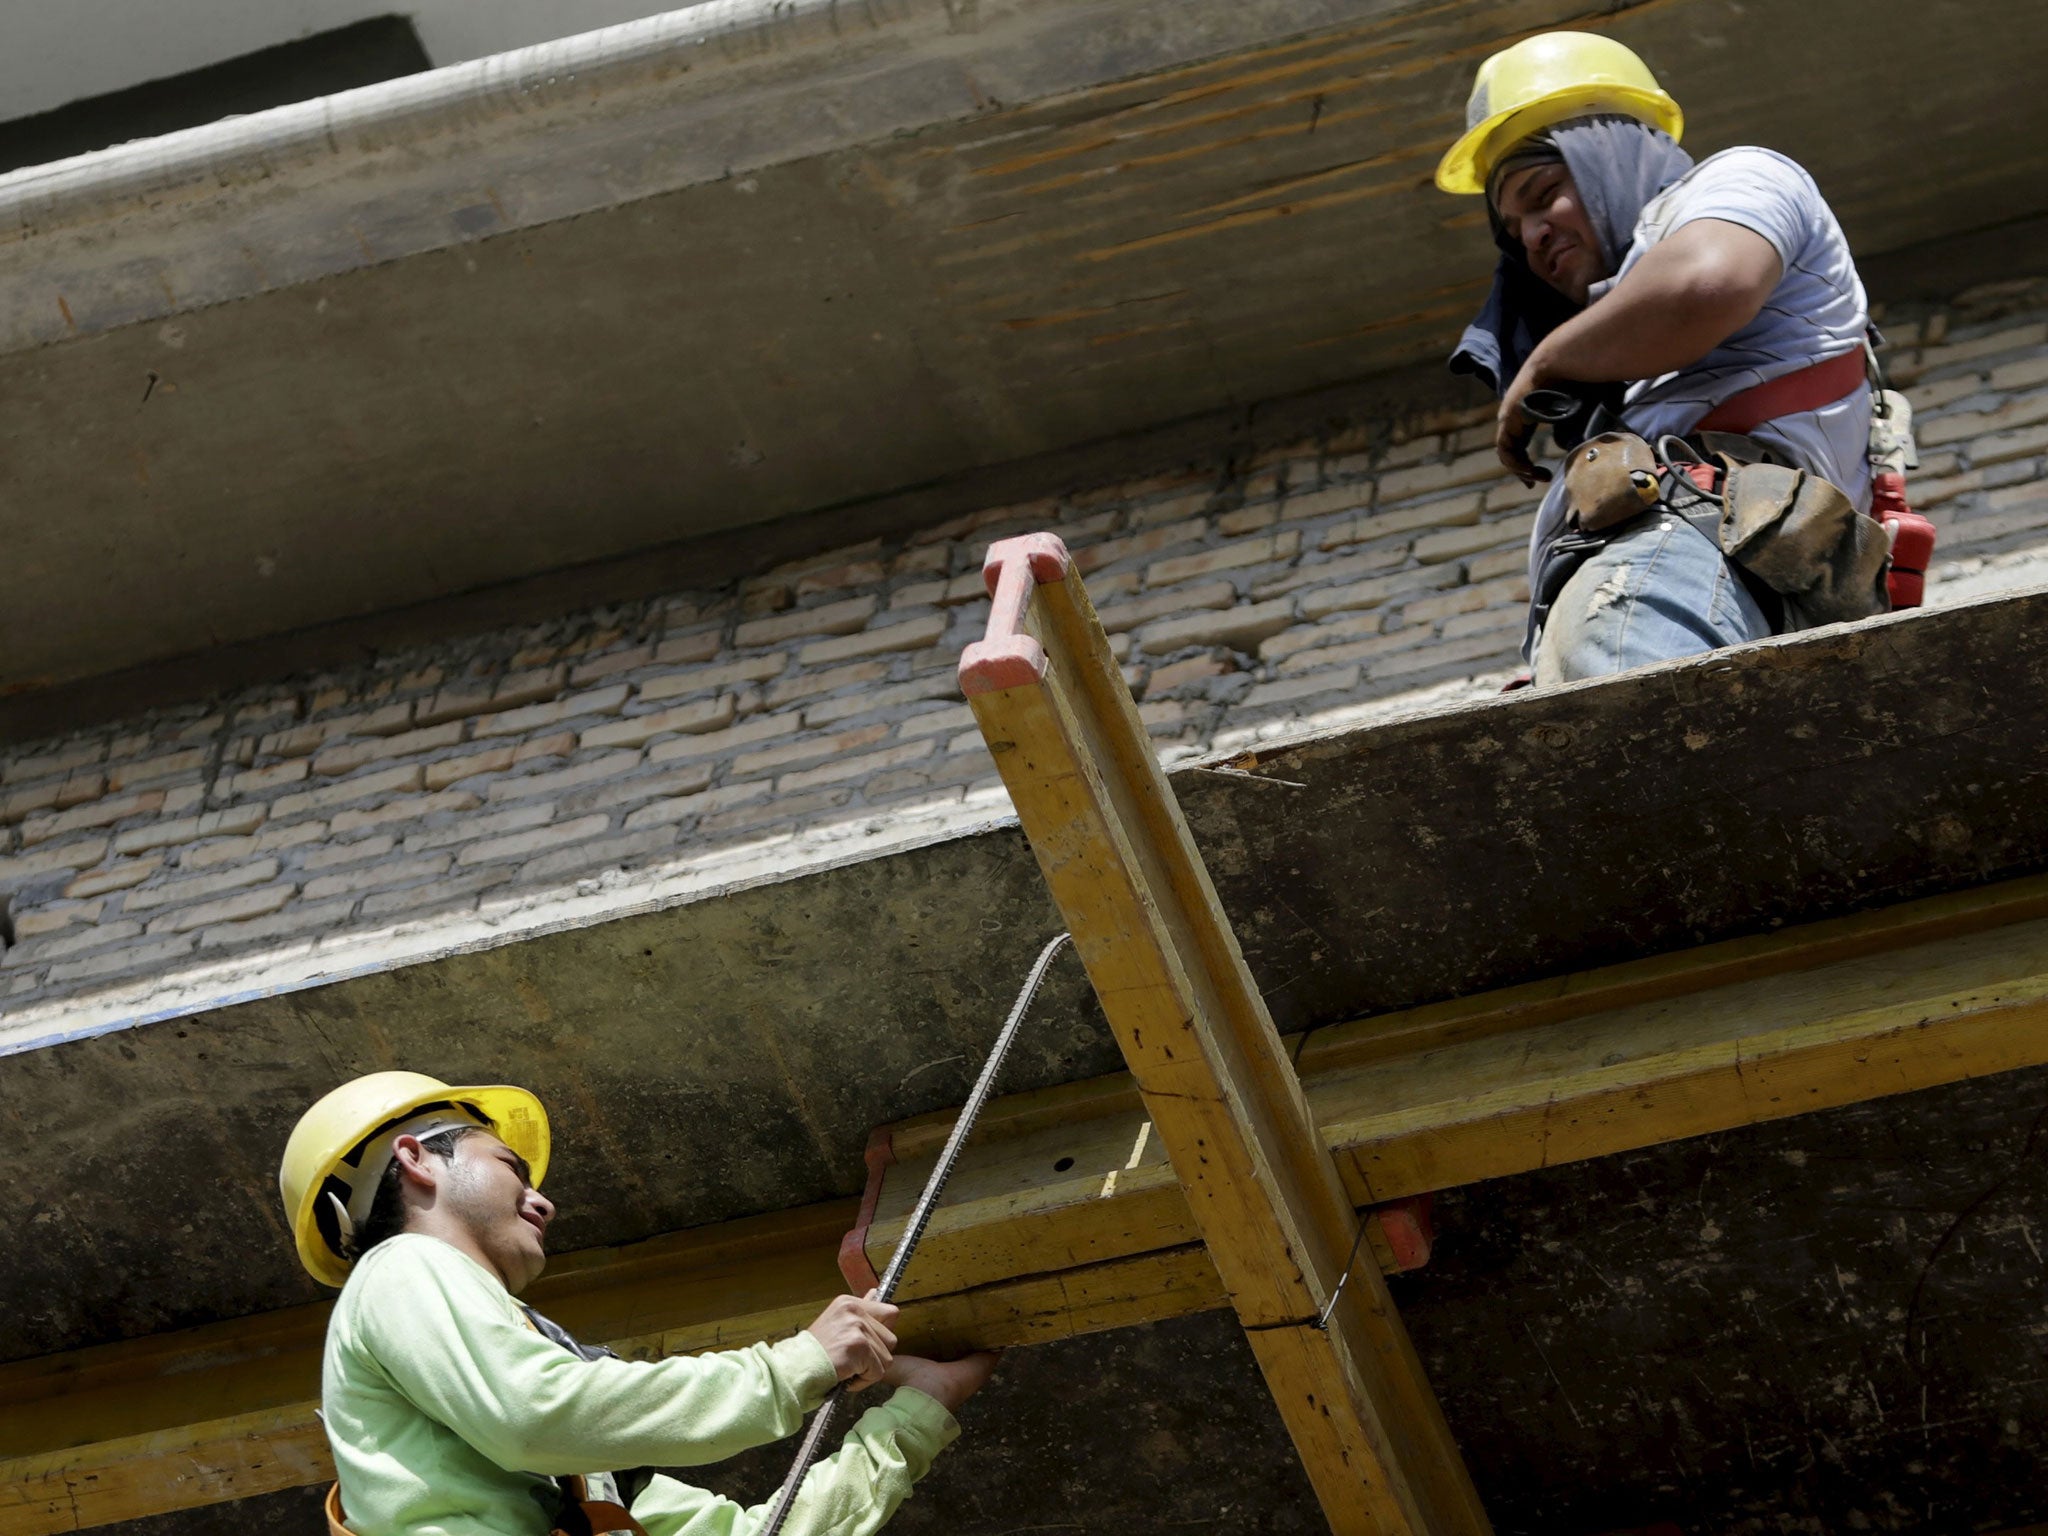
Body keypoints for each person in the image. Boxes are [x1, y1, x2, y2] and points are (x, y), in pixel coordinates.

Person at [277, 1071, 997, 1536]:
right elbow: (536, 1411)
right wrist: (799, 1365)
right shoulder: (401, 1268)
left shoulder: (571, 1470)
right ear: (415, 1158)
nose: (543, 1199)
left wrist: (917, 1414)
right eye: (509, 1166)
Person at [1437, 31, 1883, 685]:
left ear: (1607, 156)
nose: (1530, 235)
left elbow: (1708, 281)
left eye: (1541, 193)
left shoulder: (1744, 179)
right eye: (1513, 229)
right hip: (1700, 599)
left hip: (1673, 567)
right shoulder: (1629, 364)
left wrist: (1543, 363)